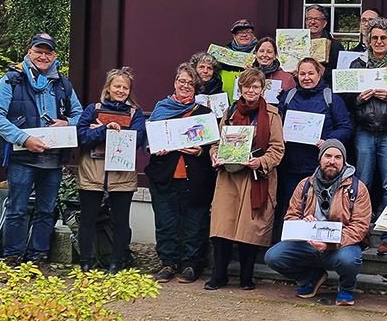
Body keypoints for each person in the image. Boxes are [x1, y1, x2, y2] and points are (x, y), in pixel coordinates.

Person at [0, 32, 83, 268]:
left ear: (54, 56)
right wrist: (24, 138)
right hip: (22, 157)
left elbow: (80, 115)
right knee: (17, 209)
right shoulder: (12, 79)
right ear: (29, 52)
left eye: (48, 52)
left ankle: (37, 258)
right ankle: (12, 258)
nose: (43, 56)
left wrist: (67, 122)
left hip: (53, 160)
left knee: (46, 211)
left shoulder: (63, 83)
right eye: (38, 51)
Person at [264, 139, 371, 306]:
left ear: (344, 161)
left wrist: (329, 244)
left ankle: (346, 288)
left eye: (337, 157)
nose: (332, 161)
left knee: (349, 260)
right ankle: (310, 278)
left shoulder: (357, 188)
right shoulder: (305, 185)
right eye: (328, 156)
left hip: (341, 245)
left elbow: (360, 227)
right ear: (320, 158)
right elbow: (291, 216)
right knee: (273, 256)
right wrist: (303, 224)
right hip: (309, 243)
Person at [206, 68, 285, 290]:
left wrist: (261, 162)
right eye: (247, 86)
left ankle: (246, 277)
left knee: (250, 229)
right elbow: (215, 144)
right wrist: (215, 156)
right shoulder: (230, 112)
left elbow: (278, 149)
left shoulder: (271, 114)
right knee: (222, 227)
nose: (251, 90)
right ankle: (219, 275)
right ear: (240, 88)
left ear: (262, 89)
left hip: (256, 177)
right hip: (229, 178)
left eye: (255, 87)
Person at [145, 63, 217, 284]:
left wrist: (199, 152)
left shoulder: (204, 114)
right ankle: (167, 263)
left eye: (190, 83)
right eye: (181, 81)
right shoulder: (161, 109)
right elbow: (149, 141)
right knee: (166, 223)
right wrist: (154, 147)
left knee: (195, 223)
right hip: (165, 176)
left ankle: (191, 265)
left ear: (196, 87)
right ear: (175, 83)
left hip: (195, 178)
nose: (185, 86)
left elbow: (214, 148)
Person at [345, 17, 387, 255]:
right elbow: (346, 98)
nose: (379, 42)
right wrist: (358, 99)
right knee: (361, 182)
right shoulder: (357, 64)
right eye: (374, 38)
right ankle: (358, 233)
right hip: (364, 130)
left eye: (383, 37)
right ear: (368, 40)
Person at [75, 67, 146, 273]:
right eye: (117, 86)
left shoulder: (135, 112)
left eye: (125, 87)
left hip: (122, 175)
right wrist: (103, 129)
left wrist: (116, 130)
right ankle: (85, 263)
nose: (121, 90)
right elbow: (82, 137)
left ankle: (116, 262)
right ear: (108, 87)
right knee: (87, 219)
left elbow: (138, 139)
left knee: (121, 221)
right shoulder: (92, 109)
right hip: (92, 172)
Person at [277, 57, 353, 217]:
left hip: (320, 167)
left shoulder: (332, 98)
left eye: (311, 73)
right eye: (302, 74)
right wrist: (279, 135)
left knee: (319, 210)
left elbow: (345, 127)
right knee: (294, 207)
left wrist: (328, 142)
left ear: (319, 74)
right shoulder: (288, 97)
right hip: (291, 164)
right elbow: (276, 123)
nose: (306, 78)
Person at [218, 18, 259, 99]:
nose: (244, 35)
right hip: (226, 101)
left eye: (248, 32)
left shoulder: (261, 54)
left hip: (252, 101)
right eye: (240, 32)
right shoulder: (222, 54)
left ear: (253, 35)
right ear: (234, 36)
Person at [304, 4, 345, 84]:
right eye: (309, 19)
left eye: (317, 19)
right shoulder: (298, 42)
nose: (312, 22)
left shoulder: (335, 46)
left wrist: (317, 66)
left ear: (324, 23)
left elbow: (339, 78)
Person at [252, 36, 296, 102]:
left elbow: (292, 104)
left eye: (269, 52)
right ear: (256, 54)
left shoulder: (287, 78)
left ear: (275, 55)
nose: (264, 55)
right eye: (261, 51)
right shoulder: (247, 76)